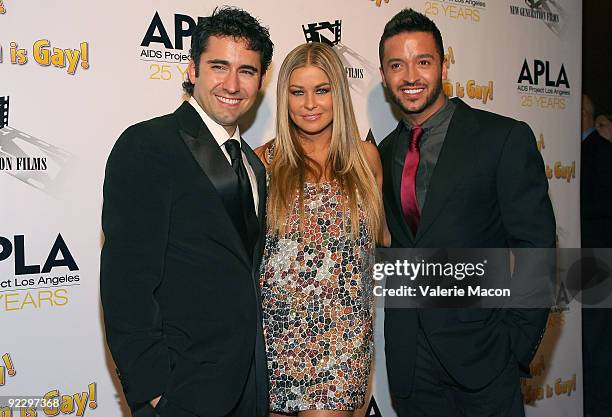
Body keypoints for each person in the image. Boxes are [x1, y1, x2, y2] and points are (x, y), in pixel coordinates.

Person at [377, 9, 556, 417]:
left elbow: (536, 247)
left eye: (423, 61)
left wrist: (514, 344)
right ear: (385, 75)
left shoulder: (502, 138)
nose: (410, 76)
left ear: (443, 64)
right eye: (396, 65)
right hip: (411, 368)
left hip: (485, 361)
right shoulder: (381, 155)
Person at [100, 7, 273, 417]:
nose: (232, 84)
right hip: (182, 392)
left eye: (246, 71)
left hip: (248, 390)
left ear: (261, 81)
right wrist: (156, 391)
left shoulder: (254, 165)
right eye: (219, 66)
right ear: (193, 69)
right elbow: (127, 284)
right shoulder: (148, 145)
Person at [255, 42, 387, 417]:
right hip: (274, 339)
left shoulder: (366, 160)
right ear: (284, 98)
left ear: (339, 94)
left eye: (322, 90)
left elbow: (382, 242)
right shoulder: (264, 161)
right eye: (297, 92)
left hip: (342, 344)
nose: (309, 103)